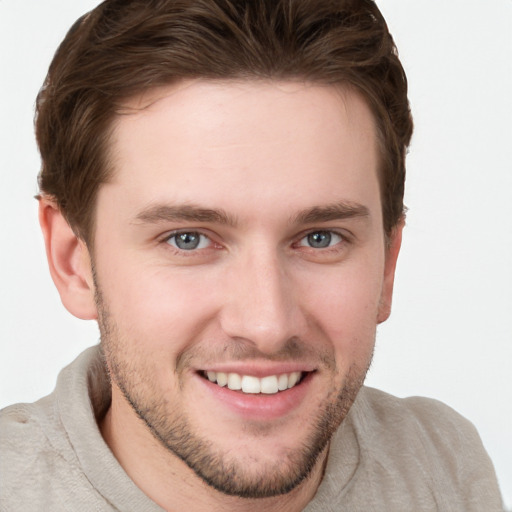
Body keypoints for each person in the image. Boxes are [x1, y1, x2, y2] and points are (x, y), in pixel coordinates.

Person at [0, 0, 504, 510]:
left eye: (320, 238)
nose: (267, 324)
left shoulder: (441, 465)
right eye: (188, 239)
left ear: (387, 267)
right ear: (73, 262)